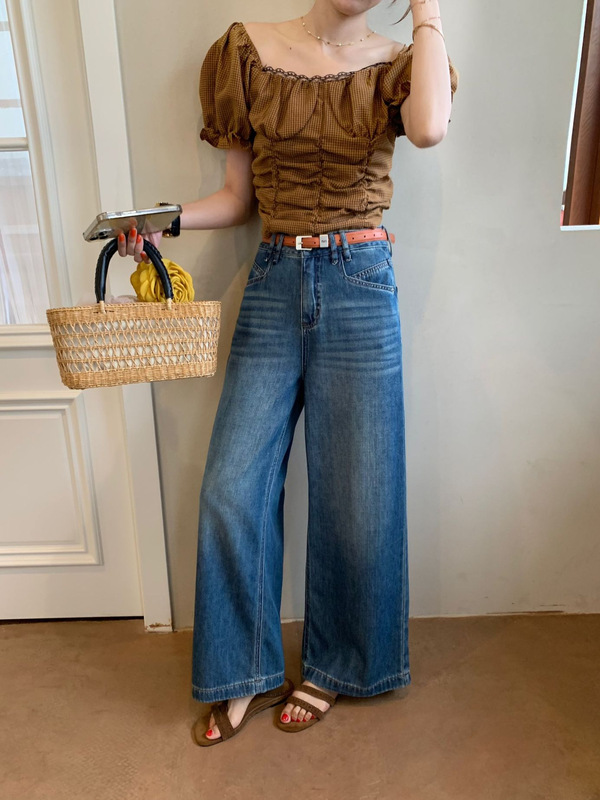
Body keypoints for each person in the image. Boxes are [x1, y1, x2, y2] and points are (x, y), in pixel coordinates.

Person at [118, 0, 458, 746]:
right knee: (231, 486)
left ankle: (339, 665)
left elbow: (430, 128)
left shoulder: (399, 64)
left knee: (357, 494)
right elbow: (238, 200)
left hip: (361, 282)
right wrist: (158, 222)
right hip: (274, 281)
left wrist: (428, 11)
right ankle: (244, 670)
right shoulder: (248, 52)